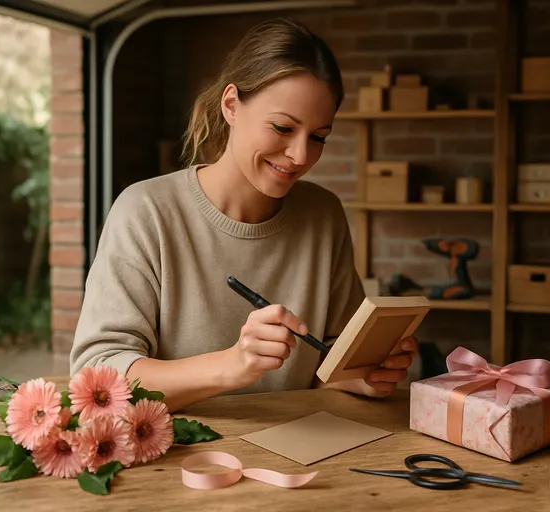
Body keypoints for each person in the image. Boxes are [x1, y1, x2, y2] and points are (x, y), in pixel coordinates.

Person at [70, 18, 419, 412]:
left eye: (319, 136)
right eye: (283, 127)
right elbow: (97, 375)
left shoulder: (324, 214)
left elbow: (328, 358)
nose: (302, 156)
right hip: (182, 458)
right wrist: (233, 365)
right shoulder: (145, 211)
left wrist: (359, 373)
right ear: (231, 104)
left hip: (298, 449)